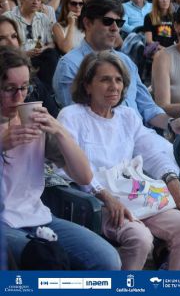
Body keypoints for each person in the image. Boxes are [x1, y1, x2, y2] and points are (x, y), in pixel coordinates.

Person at [57, 52, 180, 270]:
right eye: (105, 79)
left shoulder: (127, 115)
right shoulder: (72, 116)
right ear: (87, 85)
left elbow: (151, 151)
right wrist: (104, 196)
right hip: (96, 202)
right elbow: (67, 168)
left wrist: (172, 181)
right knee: (140, 238)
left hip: (133, 198)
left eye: (118, 80)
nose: (114, 86)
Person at [0, 46, 121, 270]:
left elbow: (84, 176)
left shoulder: (34, 120)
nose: (19, 97)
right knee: (42, 259)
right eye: (9, 89)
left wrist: (59, 131)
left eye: (25, 87)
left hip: (36, 217)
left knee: (107, 259)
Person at [52, 0, 178, 135]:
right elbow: (77, 121)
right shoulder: (69, 64)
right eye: (108, 21)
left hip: (141, 137)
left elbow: (147, 107)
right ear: (87, 23)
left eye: (119, 23)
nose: (115, 28)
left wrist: (172, 123)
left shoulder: (125, 61)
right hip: (101, 144)